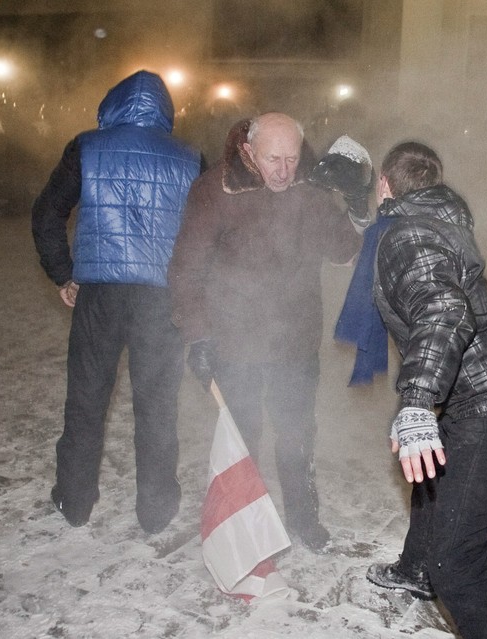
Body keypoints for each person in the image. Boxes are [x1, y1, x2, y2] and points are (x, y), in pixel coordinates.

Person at [168, 113, 368, 552]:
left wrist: (356, 204)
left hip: (295, 337)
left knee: (297, 431)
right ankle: (245, 520)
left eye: (291, 159)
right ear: (248, 152)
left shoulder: (310, 189)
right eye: (273, 159)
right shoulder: (215, 190)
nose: (283, 171)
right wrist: (198, 334)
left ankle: (303, 516)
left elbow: (344, 249)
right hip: (233, 338)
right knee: (244, 434)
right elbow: (187, 267)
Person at [363, 141, 487, 637]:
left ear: (385, 185)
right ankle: (414, 568)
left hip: (485, 407)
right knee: (430, 476)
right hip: (486, 394)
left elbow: (443, 308)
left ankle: (433, 569)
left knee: (457, 560)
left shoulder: (408, 236)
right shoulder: (438, 219)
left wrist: (417, 401)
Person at [32, 70, 202, 535]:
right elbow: (204, 233)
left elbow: (47, 211)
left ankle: (75, 500)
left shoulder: (85, 147)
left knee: (86, 400)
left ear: (112, 104)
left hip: (100, 295)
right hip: (161, 298)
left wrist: (63, 272)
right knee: (157, 404)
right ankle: (156, 508)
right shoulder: (190, 157)